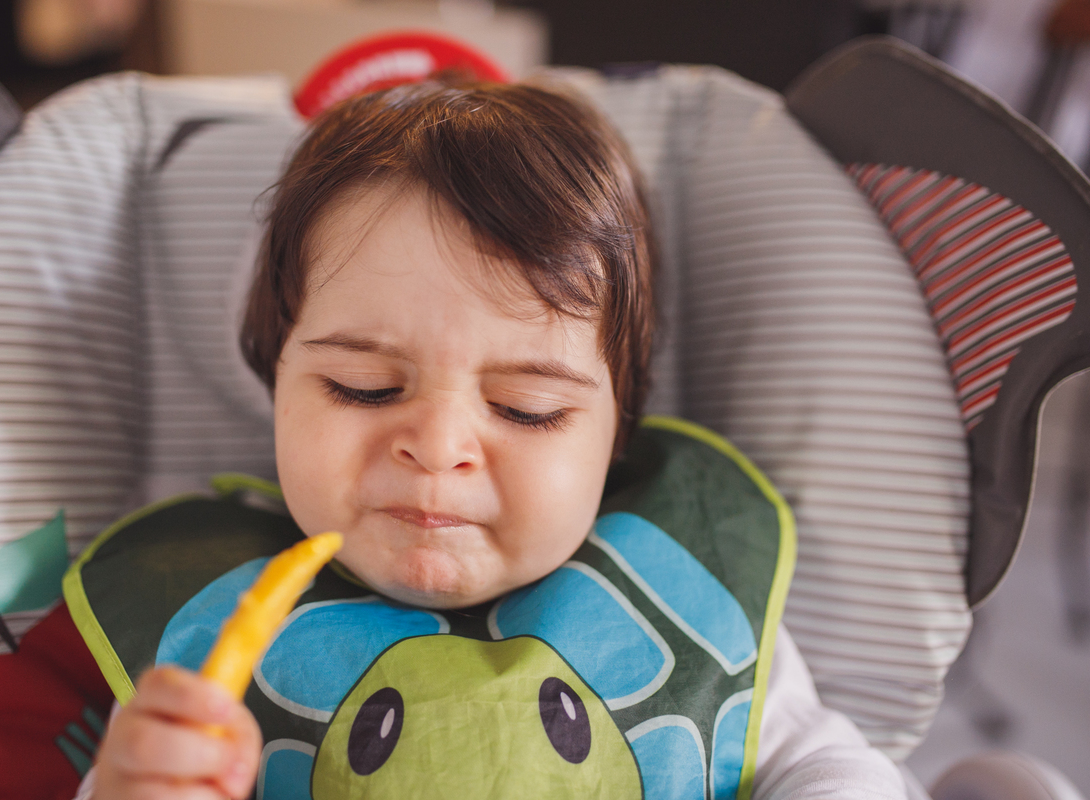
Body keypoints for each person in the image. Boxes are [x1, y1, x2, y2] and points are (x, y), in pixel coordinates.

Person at [78, 78, 908, 800]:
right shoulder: (206, 636)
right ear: (276, 380)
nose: (438, 447)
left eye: (526, 407)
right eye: (363, 387)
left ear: (618, 431)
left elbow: (829, 765)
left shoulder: (685, 594)